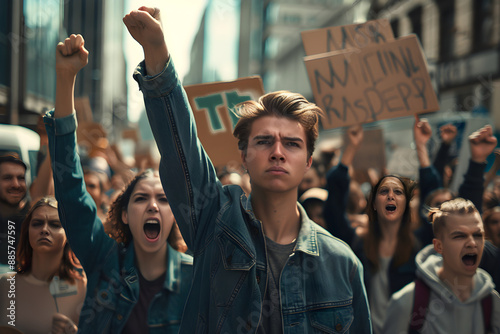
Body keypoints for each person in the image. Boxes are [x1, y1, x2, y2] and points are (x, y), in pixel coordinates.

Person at [124, 6, 371, 333]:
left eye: (292, 144)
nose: (278, 152)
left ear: (309, 161)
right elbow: (179, 149)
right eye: (264, 141)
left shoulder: (342, 264)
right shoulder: (215, 224)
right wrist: (157, 54)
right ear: (243, 155)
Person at [44, 34, 193, 333]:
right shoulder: (103, 259)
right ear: (124, 215)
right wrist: (65, 78)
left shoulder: (196, 278)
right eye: (141, 199)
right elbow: (71, 190)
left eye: (163, 200)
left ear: (174, 213)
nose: (153, 205)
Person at [382, 198, 500, 333]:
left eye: (478, 235)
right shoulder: (406, 303)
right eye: (459, 236)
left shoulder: (492, 303)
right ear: (438, 246)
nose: (472, 243)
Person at [0, 197, 86, 334]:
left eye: (55, 224)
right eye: (37, 223)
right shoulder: (5, 284)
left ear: (68, 235)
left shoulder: (82, 288)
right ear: (27, 231)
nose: (44, 229)